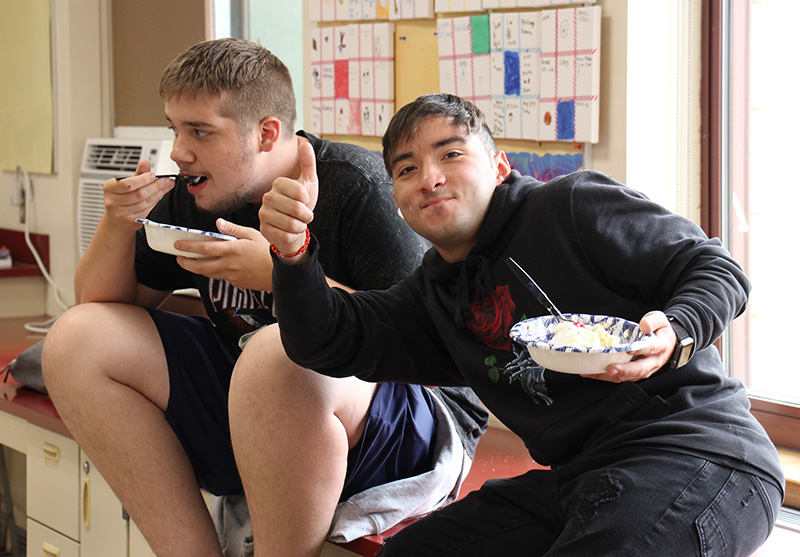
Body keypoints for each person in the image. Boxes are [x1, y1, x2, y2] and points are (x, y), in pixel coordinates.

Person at [260, 93, 785, 556]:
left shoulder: (570, 206)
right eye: (406, 170)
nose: (431, 178)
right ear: (397, 200)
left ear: (500, 165)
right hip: (582, 480)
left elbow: (716, 268)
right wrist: (294, 254)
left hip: (703, 456)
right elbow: (326, 338)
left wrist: (677, 328)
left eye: (451, 154)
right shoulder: (433, 294)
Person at [41, 42, 487, 557]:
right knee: (77, 338)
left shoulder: (357, 187)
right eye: (175, 129)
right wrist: (118, 224)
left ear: (268, 132)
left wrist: (287, 279)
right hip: (262, 408)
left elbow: (427, 338)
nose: (179, 152)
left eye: (200, 132)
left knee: (280, 350)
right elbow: (97, 303)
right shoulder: (199, 193)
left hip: (416, 425)